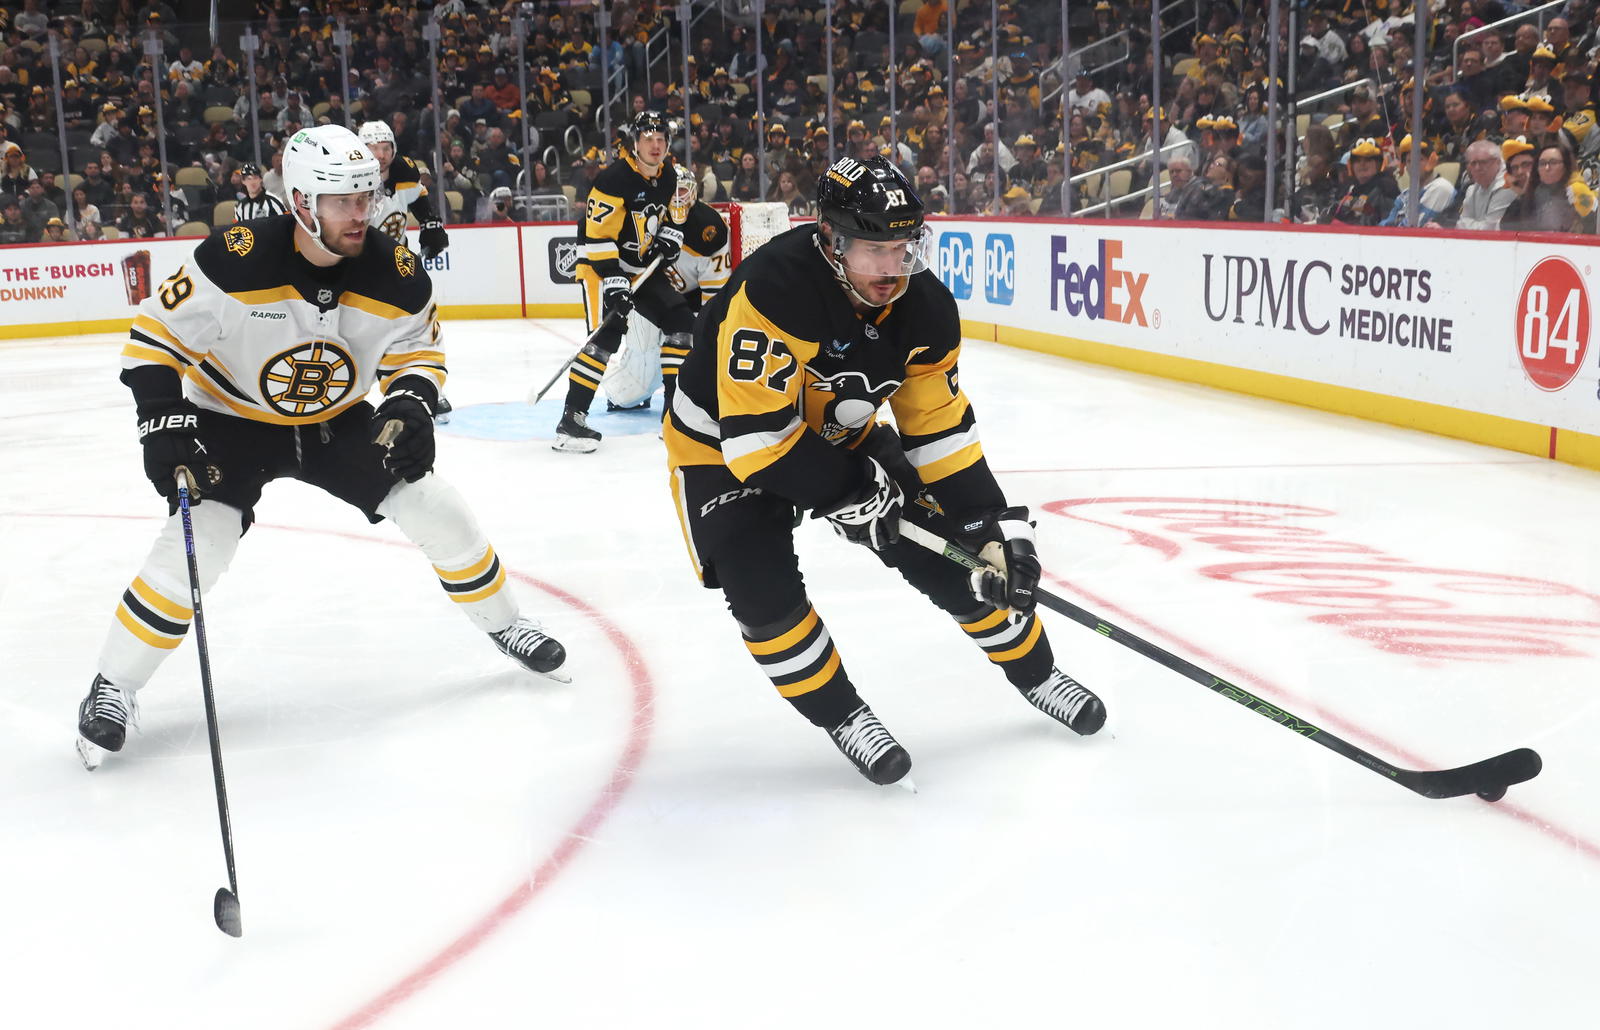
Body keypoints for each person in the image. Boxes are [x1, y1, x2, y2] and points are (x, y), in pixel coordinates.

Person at [74, 124, 567, 770]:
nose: (360, 213)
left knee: (436, 507)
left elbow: (419, 350)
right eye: (342, 201)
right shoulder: (236, 255)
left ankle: (506, 622)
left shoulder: (395, 269)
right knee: (200, 543)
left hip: (336, 420)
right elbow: (154, 338)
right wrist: (162, 421)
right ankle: (113, 687)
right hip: (233, 419)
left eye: (366, 197)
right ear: (302, 202)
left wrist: (411, 401)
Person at [661, 156, 1107, 786]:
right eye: (874, 249)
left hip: (838, 435)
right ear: (830, 241)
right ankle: (844, 717)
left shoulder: (925, 309)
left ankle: (1039, 675)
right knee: (760, 594)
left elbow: (941, 436)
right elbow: (757, 442)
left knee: (961, 559)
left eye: (903, 247)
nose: (892, 268)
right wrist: (851, 488)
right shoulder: (777, 287)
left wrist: (993, 525)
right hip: (721, 445)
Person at [555, 110, 696, 451]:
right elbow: (596, 236)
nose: (656, 145)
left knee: (679, 318)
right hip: (600, 268)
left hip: (641, 268)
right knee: (606, 336)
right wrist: (613, 279)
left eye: (661, 139)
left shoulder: (666, 176)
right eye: (648, 139)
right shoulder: (613, 179)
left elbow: (666, 218)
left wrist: (669, 235)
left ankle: (673, 414)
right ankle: (571, 421)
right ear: (635, 143)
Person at [605, 166, 731, 412]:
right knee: (636, 382)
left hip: (690, 304)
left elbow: (714, 293)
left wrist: (705, 329)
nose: (676, 196)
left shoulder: (708, 228)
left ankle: (682, 402)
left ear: (693, 192)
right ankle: (624, 391)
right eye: (670, 190)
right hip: (651, 297)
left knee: (694, 350)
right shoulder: (645, 218)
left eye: (682, 189)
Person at [358, 119, 448, 262]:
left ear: (394, 149)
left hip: (398, 256)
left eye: (386, 148)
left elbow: (418, 196)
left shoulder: (404, 171)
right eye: (374, 148)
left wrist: (430, 224)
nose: (381, 155)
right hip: (360, 260)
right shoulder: (351, 179)